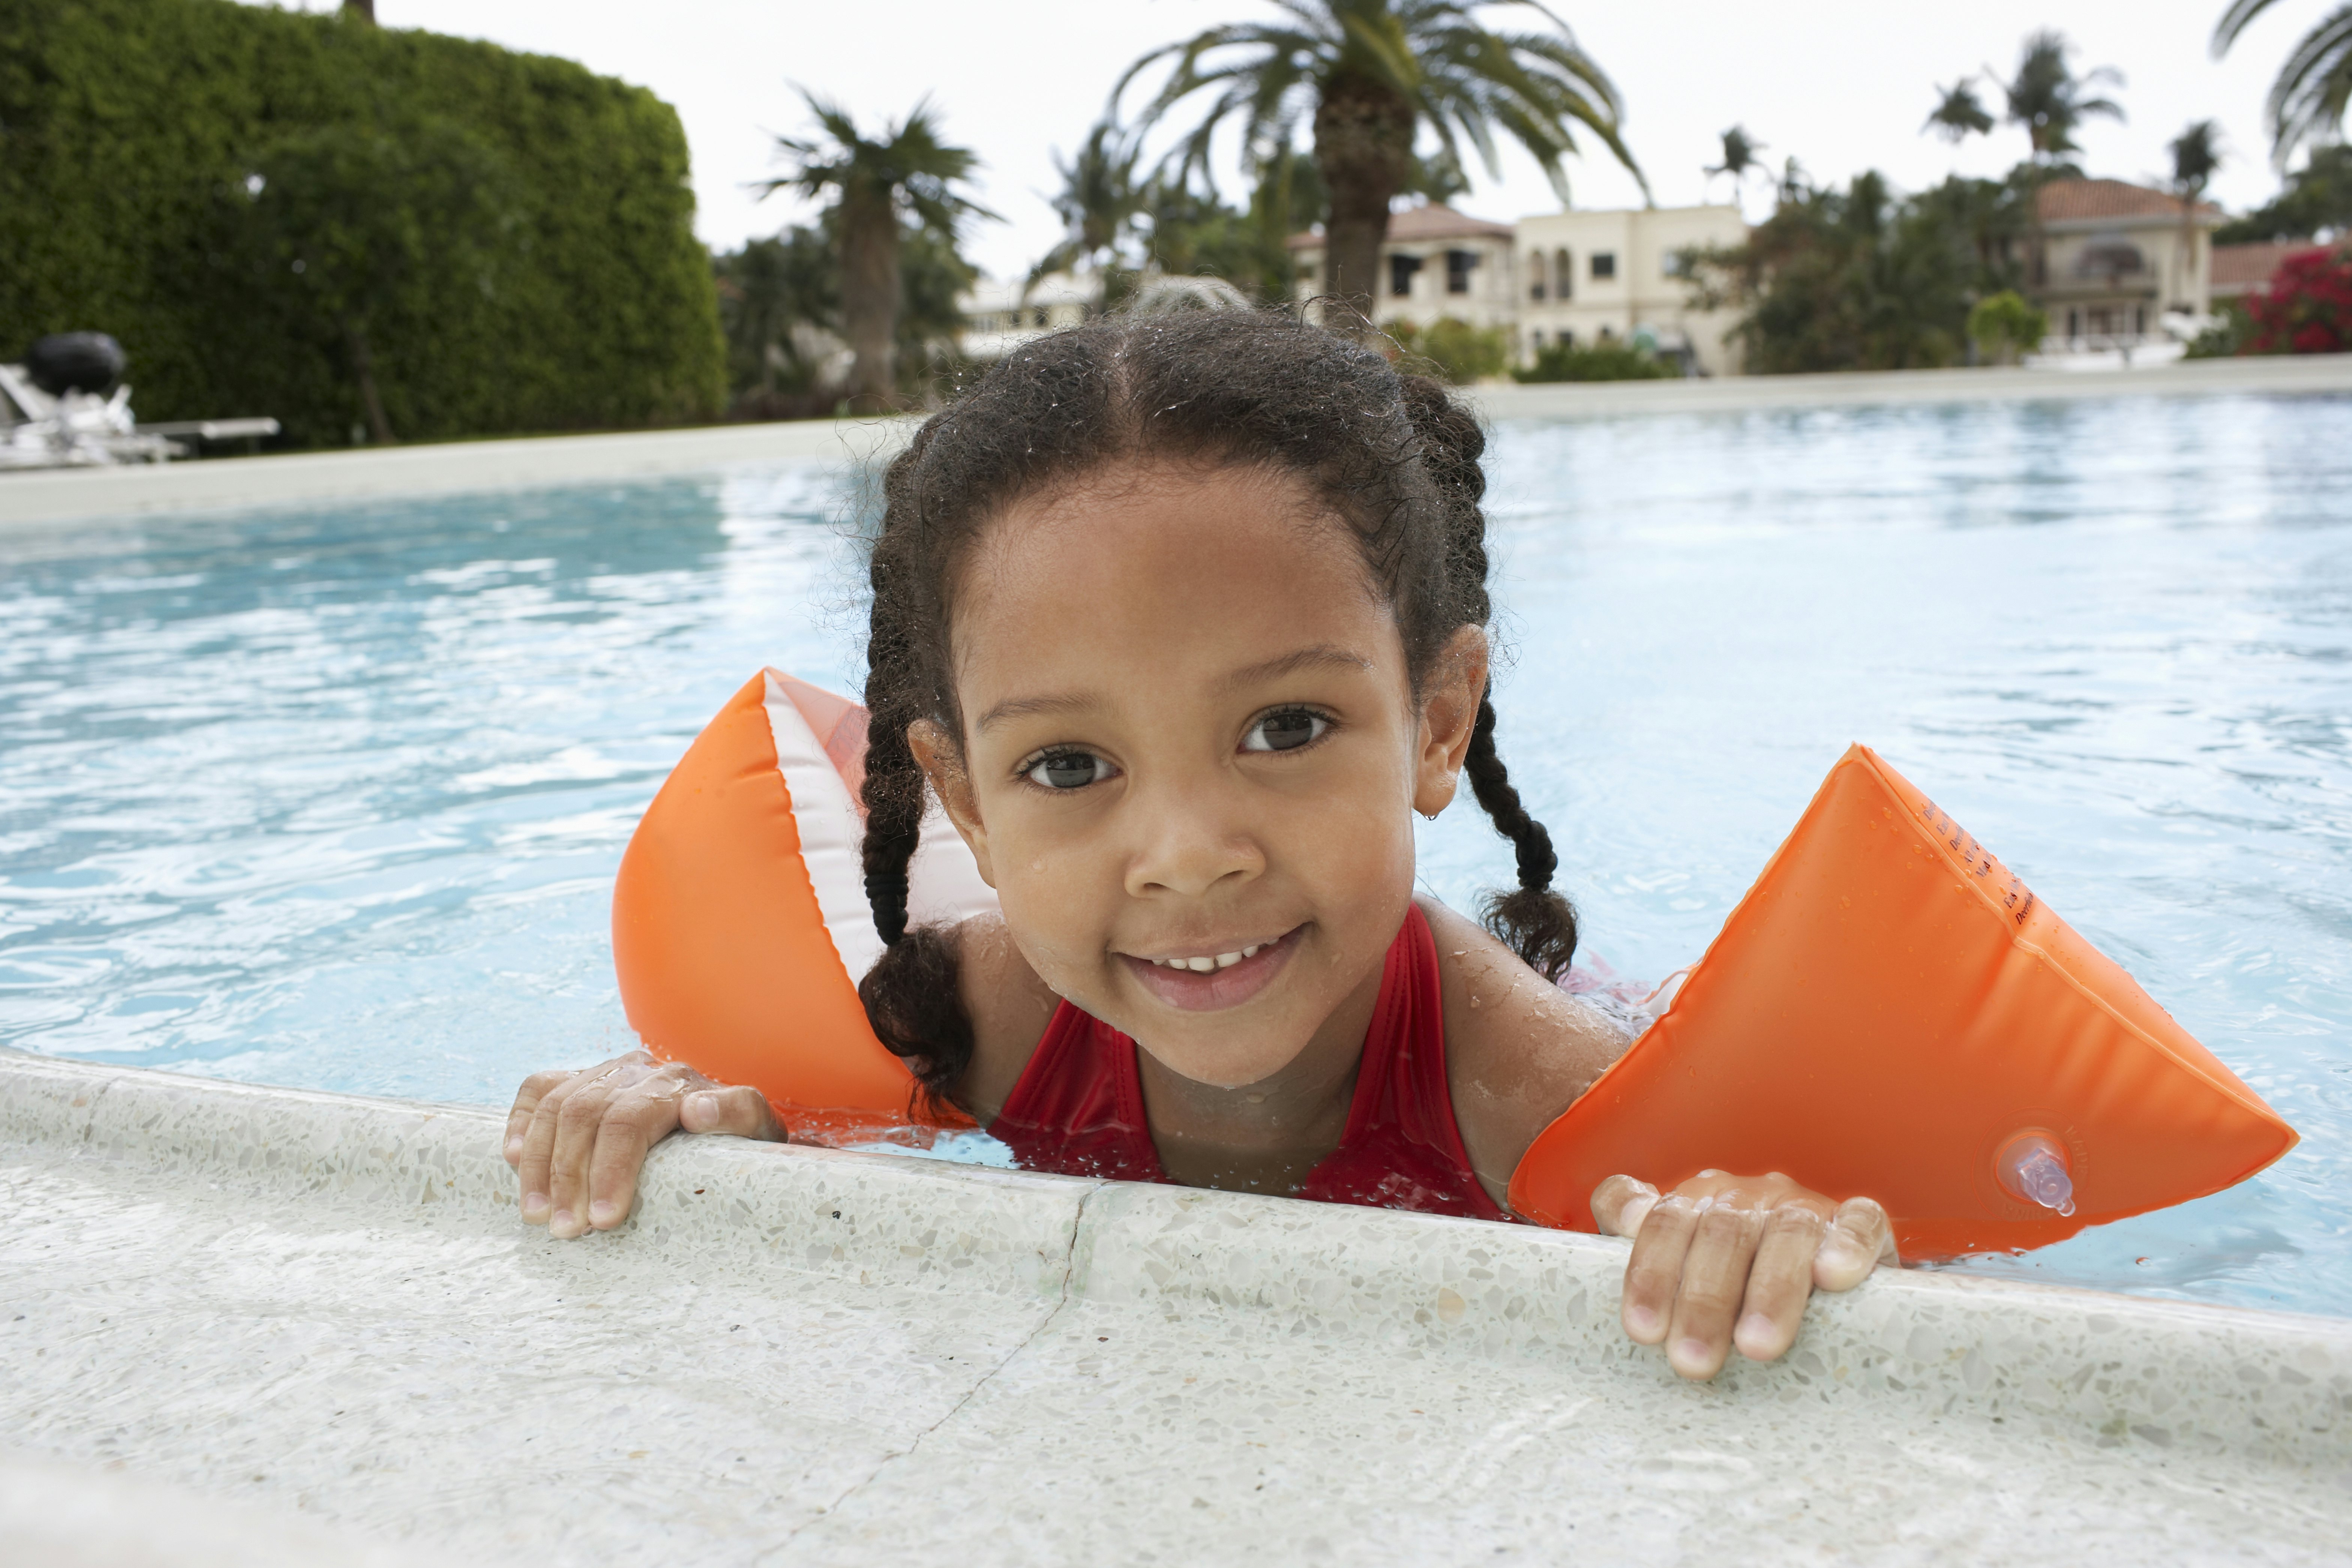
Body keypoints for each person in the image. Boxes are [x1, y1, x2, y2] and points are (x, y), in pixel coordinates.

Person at [503, 311, 1894, 1382]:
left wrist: (1760, 1231)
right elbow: (797, 1189)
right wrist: (700, 1129)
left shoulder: (1532, 1090)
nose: (1183, 856)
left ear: (1436, 722)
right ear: (967, 806)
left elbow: (1848, 1276)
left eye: (1286, 728)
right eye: (1067, 766)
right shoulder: (968, 1022)